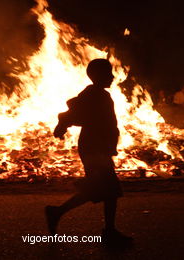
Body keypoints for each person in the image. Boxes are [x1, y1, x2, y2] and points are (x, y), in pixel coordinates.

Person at [45, 59, 130, 246]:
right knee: (109, 190)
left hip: (98, 147)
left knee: (102, 189)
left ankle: (58, 213)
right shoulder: (92, 94)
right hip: (94, 147)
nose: (112, 76)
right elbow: (72, 110)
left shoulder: (99, 94)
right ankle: (108, 231)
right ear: (98, 76)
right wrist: (62, 125)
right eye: (108, 73)